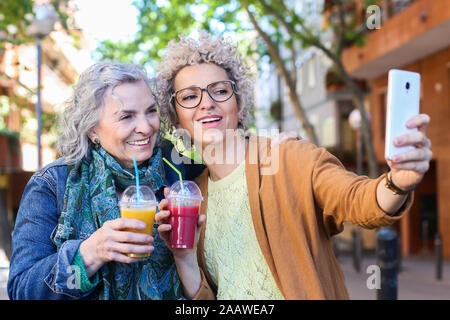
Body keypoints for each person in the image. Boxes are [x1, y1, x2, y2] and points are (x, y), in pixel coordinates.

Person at [155, 32, 433, 299]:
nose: (207, 104)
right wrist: (185, 258)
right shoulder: (193, 195)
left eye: (219, 91)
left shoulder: (287, 155)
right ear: (176, 119)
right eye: (190, 97)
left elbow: (358, 199)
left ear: (239, 106)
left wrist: (396, 181)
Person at [7, 62, 214, 300]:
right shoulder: (53, 184)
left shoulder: (182, 173)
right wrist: (90, 253)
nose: (146, 128)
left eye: (150, 111)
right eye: (126, 116)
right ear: (92, 129)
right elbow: (22, 290)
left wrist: (184, 256)